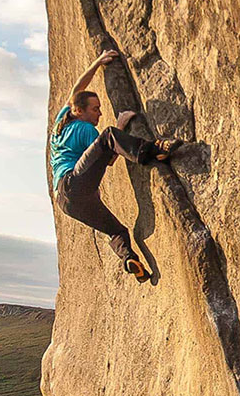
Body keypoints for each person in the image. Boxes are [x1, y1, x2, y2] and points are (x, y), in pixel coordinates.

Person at [49, 49, 182, 281]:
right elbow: (108, 158)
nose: (99, 113)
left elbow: (76, 89)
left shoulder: (61, 123)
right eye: (95, 109)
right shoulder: (85, 129)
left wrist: (97, 63)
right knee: (109, 135)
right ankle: (154, 151)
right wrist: (119, 126)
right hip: (73, 184)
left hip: (66, 203)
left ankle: (130, 259)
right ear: (79, 111)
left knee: (117, 231)